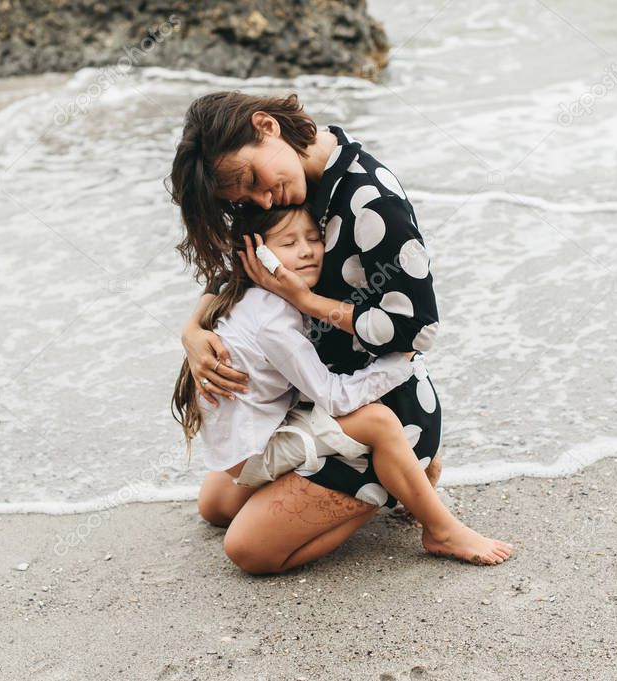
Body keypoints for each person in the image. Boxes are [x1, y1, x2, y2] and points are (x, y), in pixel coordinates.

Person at [169, 90, 513, 572]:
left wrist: (308, 302)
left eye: (254, 182)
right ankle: (408, 481)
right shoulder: (291, 179)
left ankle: (415, 496)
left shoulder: (370, 200)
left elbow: (417, 330)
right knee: (216, 507)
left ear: (265, 126)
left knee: (249, 551)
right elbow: (241, 270)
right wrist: (191, 330)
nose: (264, 200)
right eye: (245, 199)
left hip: (380, 411)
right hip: (305, 404)